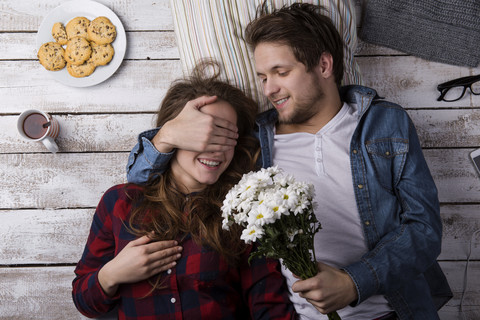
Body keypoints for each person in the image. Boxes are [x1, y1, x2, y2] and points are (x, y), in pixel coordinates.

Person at [125, 3, 452, 320]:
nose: (269, 89)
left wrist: (354, 282)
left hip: (393, 310)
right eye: (263, 76)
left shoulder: (385, 124)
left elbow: (424, 229)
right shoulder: (254, 141)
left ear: (324, 66)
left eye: (281, 72)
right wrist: (167, 135)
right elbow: (140, 178)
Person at [72, 61, 296, 320]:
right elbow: (85, 302)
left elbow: (269, 306)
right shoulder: (119, 202)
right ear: (175, 133)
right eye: (207, 134)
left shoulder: (244, 214)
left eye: (227, 138)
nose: (216, 149)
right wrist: (112, 274)